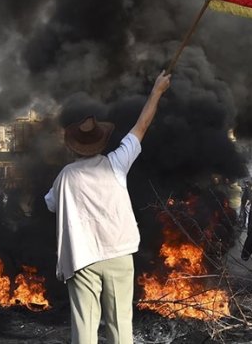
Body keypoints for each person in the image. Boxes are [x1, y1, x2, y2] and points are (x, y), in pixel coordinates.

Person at [44, 70, 170, 344]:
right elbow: (141, 127)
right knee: (120, 325)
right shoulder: (116, 164)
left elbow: (50, 205)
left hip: (82, 259)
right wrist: (157, 91)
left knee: (85, 328)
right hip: (118, 254)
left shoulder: (65, 176)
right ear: (101, 142)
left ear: (73, 147)